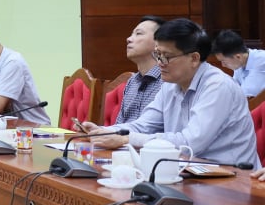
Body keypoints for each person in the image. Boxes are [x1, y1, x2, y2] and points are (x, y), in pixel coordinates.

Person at [84, 19, 260, 169]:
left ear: (194, 58)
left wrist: (126, 139)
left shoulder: (218, 86)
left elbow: (190, 143)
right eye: (157, 55)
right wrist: (102, 132)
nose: (160, 63)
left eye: (166, 57)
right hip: (188, 173)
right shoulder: (170, 85)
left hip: (232, 180)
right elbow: (143, 125)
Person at [113, 16, 166, 125]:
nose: (128, 39)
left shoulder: (168, 80)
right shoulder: (132, 81)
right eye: (131, 34)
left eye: (138, 34)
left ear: (159, 42)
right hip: (122, 140)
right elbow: (119, 125)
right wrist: (98, 131)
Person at [213, 29, 265, 98]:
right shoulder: (240, 63)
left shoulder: (261, 61)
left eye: (224, 61)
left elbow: (246, 96)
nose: (223, 65)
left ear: (238, 57)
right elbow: (233, 88)